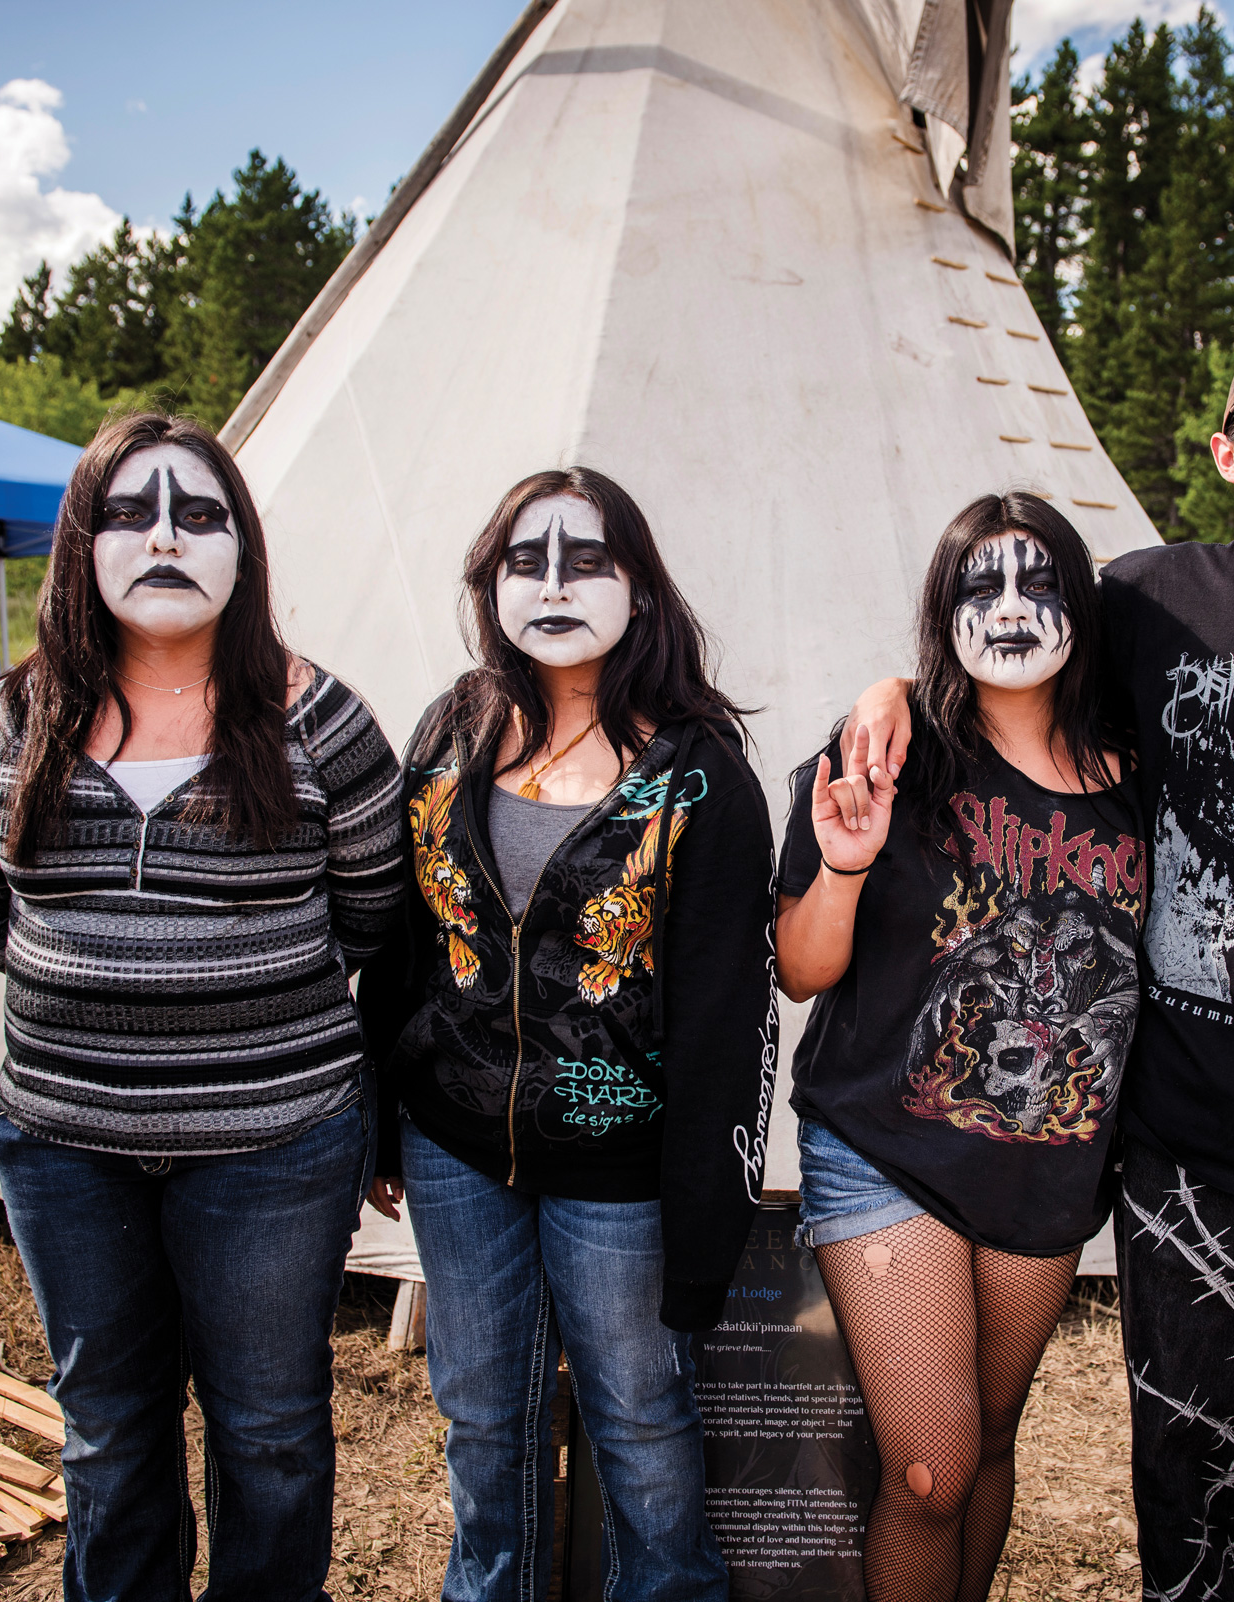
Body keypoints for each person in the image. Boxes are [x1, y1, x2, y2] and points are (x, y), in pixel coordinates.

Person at [839, 326, 1234, 1601]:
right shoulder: (1144, 601)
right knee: (1187, 1509)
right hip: (1182, 1143)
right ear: (1228, 453)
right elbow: (1009, 677)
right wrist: (886, 688)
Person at [0, 412, 408, 1602]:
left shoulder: (322, 723)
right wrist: (102, 990)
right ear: (82, 545)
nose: (163, 538)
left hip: (273, 1149)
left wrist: (222, 1001)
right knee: (107, 1432)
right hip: (63, 1146)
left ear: (242, 551)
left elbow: (372, 917)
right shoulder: (5, 723)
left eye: (199, 514)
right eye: (129, 513)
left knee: (271, 1431)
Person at [359, 466, 776, 1602]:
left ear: (638, 588)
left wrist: (705, 1217)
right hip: (455, 1144)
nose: (552, 584)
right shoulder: (450, 729)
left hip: (622, 1170)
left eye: (585, 560)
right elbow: (404, 939)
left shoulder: (698, 777)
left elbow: (729, 1021)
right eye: (523, 561)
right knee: (481, 1418)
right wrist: (381, 1132)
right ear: (488, 586)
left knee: (640, 1419)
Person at [774, 493, 1141, 1602]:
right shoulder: (888, 754)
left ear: (1081, 602)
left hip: (1050, 1169)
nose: (1014, 609)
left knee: (985, 1441)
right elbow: (799, 968)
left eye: (1040, 584)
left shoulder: (1143, 778)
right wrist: (843, 863)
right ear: (941, 614)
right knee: (929, 1469)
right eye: (981, 587)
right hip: (888, 1149)